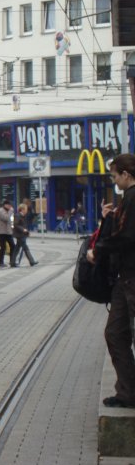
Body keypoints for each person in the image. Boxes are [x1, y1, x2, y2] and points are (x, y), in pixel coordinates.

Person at [87, 153, 135, 408]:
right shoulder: (127, 199)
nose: (114, 181)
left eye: (116, 176)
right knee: (115, 333)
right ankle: (127, 391)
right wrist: (108, 219)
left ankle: (128, 391)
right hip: (124, 279)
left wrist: (98, 250)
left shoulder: (133, 198)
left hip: (131, 278)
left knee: (117, 334)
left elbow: (127, 237)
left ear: (126, 175)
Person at [0, 199, 16, 267]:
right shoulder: (1, 210)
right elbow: (6, 218)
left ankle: (12, 261)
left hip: (8, 232)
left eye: (11, 206)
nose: (10, 207)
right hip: (2, 232)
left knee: (13, 245)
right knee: (3, 247)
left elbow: (11, 220)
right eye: (9, 205)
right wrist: (10, 211)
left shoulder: (9, 210)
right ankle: (0, 262)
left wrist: (12, 227)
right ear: (5, 205)